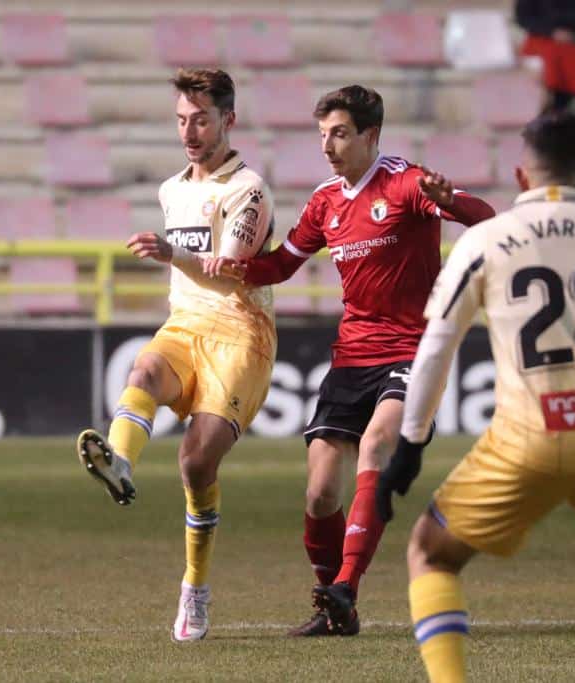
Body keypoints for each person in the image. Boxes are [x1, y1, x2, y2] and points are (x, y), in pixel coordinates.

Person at [377, 111, 575, 682]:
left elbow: (434, 349)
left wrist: (408, 448)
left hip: (527, 440)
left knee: (432, 552)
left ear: (521, 177)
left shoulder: (485, 240)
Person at [204, 85, 495, 636]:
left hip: (414, 350)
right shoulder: (325, 201)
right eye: (322, 135)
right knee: (319, 493)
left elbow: (486, 218)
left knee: (377, 445)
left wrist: (451, 199)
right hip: (353, 354)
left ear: (370, 135)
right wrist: (230, 266)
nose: (328, 145)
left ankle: (344, 588)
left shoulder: (408, 183)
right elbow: (283, 265)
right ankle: (334, 609)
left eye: (339, 133)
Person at [74, 68, 277, 642]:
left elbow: (229, 269)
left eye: (202, 119)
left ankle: (195, 586)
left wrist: (169, 253)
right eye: (182, 120)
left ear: (228, 121)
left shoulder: (249, 189)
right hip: (184, 326)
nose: (189, 131)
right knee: (143, 369)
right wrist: (173, 257)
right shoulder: (171, 190)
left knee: (194, 464)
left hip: (241, 335)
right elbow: (192, 279)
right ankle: (120, 463)